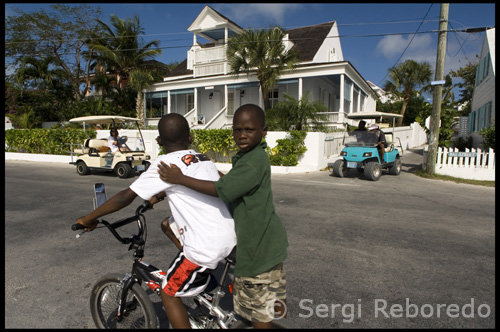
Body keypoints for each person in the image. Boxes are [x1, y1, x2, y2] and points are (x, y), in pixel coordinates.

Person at [76, 113, 236, 329]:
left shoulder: (164, 163)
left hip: (207, 246)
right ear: (189, 137)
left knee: (168, 293)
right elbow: (205, 182)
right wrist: (160, 194)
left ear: (159, 141)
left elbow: (126, 196)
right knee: (166, 224)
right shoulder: (201, 157)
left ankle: (193, 269)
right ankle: (201, 282)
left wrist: (88, 218)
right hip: (230, 233)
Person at [157, 104, 288, 329]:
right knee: (270, 301)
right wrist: (212, 169)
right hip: (269, 241)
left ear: (263, 131)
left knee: (258, 313)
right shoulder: (251, 156)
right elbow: (232, 182)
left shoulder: (253, 162)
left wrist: (180, 179)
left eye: (249, 130)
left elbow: (222, 190)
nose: (242, 135)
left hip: (255, 247)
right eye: (237, 130)